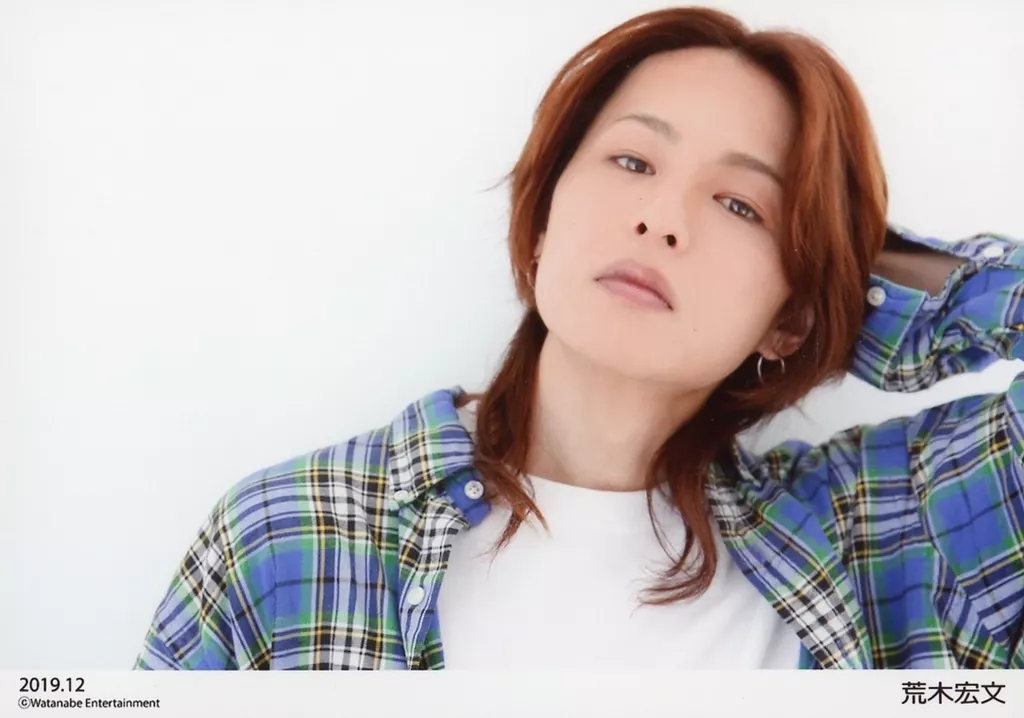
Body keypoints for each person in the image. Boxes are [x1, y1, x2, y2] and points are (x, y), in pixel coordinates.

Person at [134, 6, 1023, 670]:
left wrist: (846, 286)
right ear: (543, 217)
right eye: (633, 161)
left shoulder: (896, 536)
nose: (662, 218)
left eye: (739, 204)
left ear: (788, 316)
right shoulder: (293, 534)